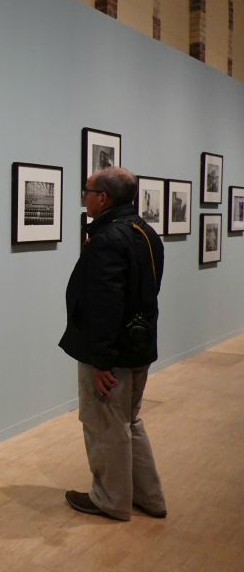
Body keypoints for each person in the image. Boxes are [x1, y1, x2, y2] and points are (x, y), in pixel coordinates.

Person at [59, 167, 167, 521]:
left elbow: (104, 304)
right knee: (129, 421)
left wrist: (101, 360)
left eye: (87, 192)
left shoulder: (107, 239)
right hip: (139, 346)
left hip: (112, 354)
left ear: (103, 198)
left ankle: (110, 500)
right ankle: (149, 497)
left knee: (105, 425)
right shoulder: (146, 232)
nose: (84, 198)